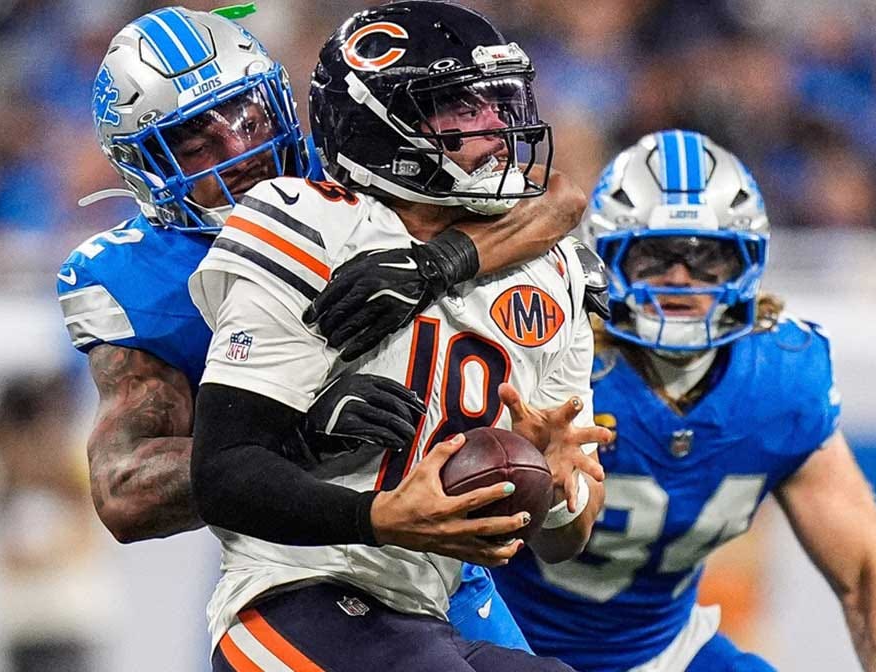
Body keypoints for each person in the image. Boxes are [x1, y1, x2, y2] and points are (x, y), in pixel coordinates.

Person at [56, 4, 588, 658]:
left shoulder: (344, 171)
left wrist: (440, 262)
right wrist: (295, 439)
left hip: (438, 543)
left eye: (249, 118)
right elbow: (124, 491)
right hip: (302, 553)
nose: (241, 153)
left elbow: (556, 201)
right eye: (195, 142)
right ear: (145, 167)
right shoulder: (140, 276)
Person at [491, 130, 876, 672]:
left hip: (662, 648)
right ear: (608, 257)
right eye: (653, 255)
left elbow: (867, 576)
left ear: (747, 263)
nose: (679, 279)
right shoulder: (554, 356)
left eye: (707, 258)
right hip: (506, 641)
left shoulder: (779, 382)